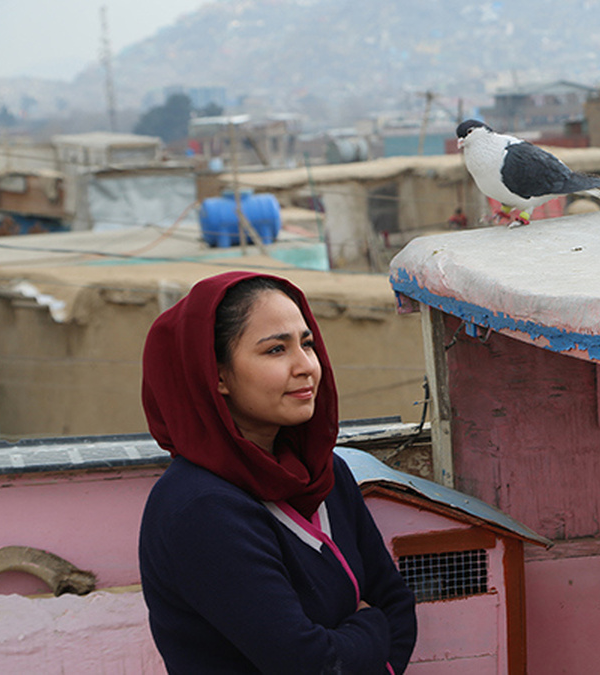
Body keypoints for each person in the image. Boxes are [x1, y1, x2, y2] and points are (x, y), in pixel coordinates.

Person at [138, 270, 417, 674]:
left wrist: (357, 647)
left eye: (307, 343)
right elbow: (308, 663)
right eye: (275, 350)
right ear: (216, 375)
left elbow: (397, 603)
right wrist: (372, 624)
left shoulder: (326, 474)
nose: (306, 366)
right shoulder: (201, 508)